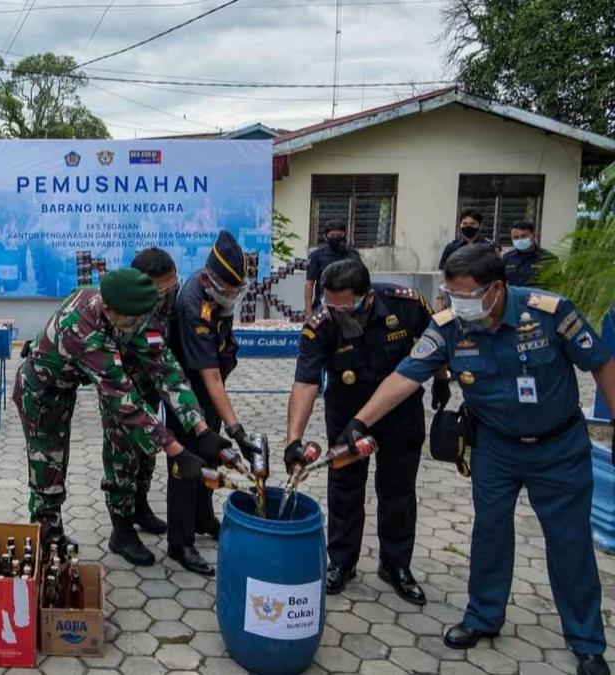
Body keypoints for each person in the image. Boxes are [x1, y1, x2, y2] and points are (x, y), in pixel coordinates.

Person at [334, 244, 614, 675]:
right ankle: (483, 616)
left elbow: (601, 363)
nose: (455, 304)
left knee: (569, 541)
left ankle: (587, 641)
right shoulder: (449, 328)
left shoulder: (550, 312)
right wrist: (359, 422)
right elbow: (406, 376)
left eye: (464, 296)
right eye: (450, 295)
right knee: (490, 532)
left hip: (558, 448)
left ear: (496, 289)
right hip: (496, 447)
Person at [15, 267, 228, 565]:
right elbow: (125, 403)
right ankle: (49, 544)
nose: (138, 328)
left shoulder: (134, 314)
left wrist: (201, 429)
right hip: (41, 392)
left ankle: (59, 538)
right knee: (48, 470)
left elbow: (168, 372)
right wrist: (177, 450)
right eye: (131, 322)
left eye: (142, 320)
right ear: (108, 310)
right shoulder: (84, 330)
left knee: (54, 466)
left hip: (69, 384)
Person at [284, 259, 445, 602]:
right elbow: (305, 383)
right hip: (347, 412)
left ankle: (396, 564)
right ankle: (341, 562)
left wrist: (442, 378)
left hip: (401, 411)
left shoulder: (405, 302)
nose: (339, 314)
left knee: (397, 490)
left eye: (347, 307)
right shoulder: (321, 323)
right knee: (344, 487)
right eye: (331, 305)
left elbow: (438, 337)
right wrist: (293, 439)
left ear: (367, 297)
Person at [124, 248, 236, 576]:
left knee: (199, 452)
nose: (168, 296)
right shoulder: (139, 308)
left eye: (171, 287)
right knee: (136, 458)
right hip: (134, 388)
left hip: (178, 382)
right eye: (162, 291)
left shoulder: (189, 297)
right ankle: (140, 533)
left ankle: (196, 517)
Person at [165, 232, 262, 555]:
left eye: (237, 290)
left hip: (209, 390)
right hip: (186, 394)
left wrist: (226, 427)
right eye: (229, 290)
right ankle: (180, 542)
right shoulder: (194, 305)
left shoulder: (219, 294)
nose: (232, 296)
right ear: (209, 278)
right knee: (186, 462)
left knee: (210, 454)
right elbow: (210, 377)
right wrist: (238, 430)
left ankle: (203, 518)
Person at [305, 221, 361, 318]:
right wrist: (308, 312)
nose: (335, 238)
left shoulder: (353, 255)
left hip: (348, 307)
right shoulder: (317, 256)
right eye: (332, 235)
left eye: (339, 235)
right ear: (326, 236)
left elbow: (361, 280)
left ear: (344, 235)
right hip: (323, 308)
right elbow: (309, 284)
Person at [502, 220, 557, 287]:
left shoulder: (548, 258)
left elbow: (556, 285)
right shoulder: (507, 258)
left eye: (523, 236)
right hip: (514, 296)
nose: (520, 240)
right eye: (515, 237)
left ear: (533, 236)